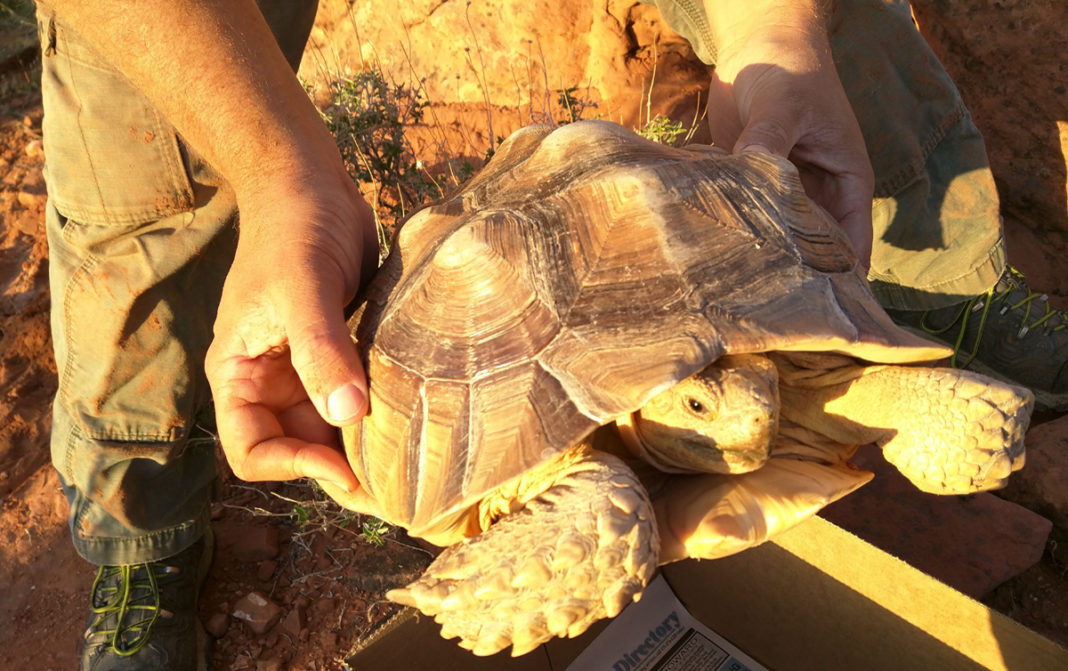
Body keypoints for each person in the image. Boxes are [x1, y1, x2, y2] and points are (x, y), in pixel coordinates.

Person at [33, 1, 1065, 669]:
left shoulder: (765, 387)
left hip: (728, 254)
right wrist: (278, 171)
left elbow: (799, 385)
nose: (746, 408)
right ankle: (142, 522)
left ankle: (949, 279)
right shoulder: (596, 480)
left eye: (730, 382)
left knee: (826, 46)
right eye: (701, 397)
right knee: (147, 183)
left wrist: (775, 31)